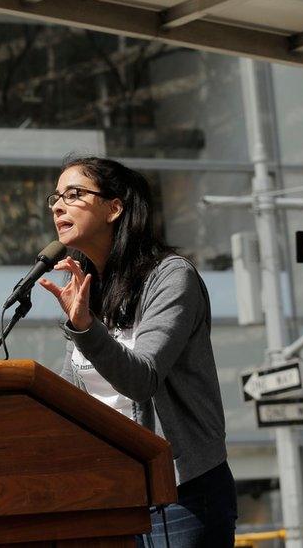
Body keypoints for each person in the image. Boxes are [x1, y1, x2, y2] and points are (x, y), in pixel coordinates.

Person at [37, 156, 237, 548]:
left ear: (115, 208)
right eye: (55, 197)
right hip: (111, 495)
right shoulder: (85, 288)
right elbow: (72, 398)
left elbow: (140, 379)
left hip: (182, 494)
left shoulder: (171, 277)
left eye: (74, 194)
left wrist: (85, 329)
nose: (58, 205)